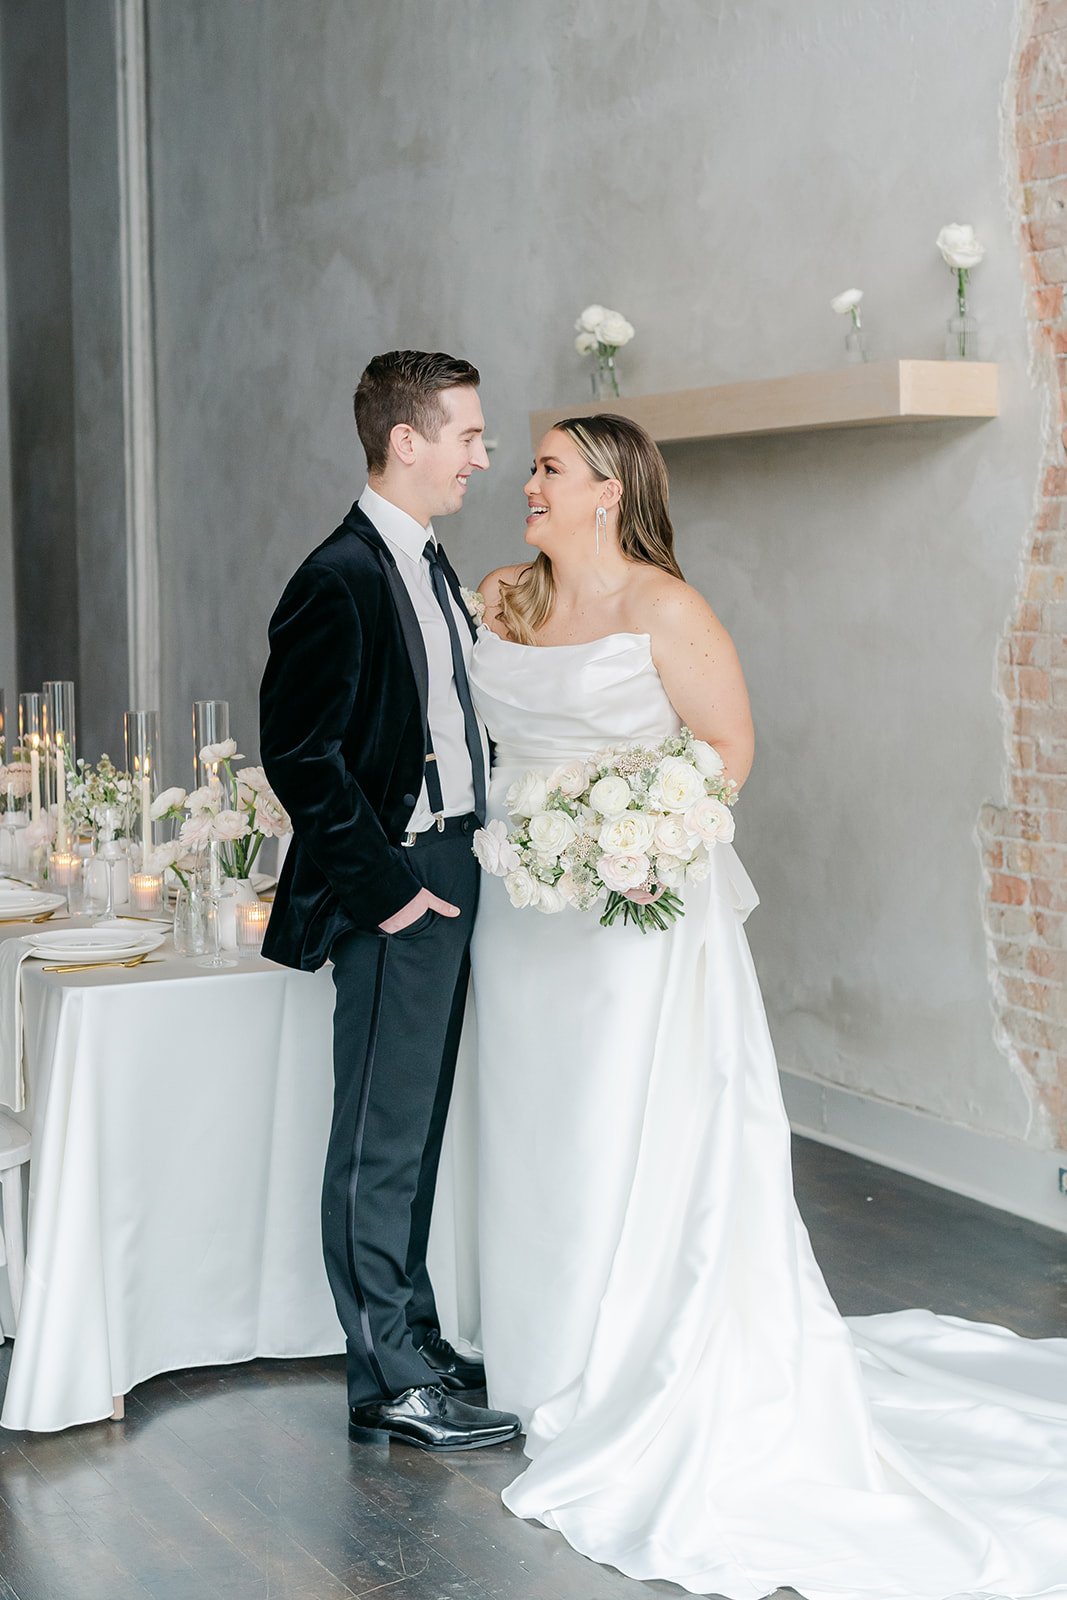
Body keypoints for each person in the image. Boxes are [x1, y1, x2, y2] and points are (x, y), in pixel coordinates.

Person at [445, 412, 1067, 1596]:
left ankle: (623, 1358)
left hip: (630, 923)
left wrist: (643, 843)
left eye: (548, 468)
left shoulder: (667, 610)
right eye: (528, 465)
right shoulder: (502, 599)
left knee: (616, 1129)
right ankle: (531, 1351)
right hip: (522, 916)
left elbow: (725, 748)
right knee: (529, 1131)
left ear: (607, 490)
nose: (525, 483)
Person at [259, 350, 519, 1453]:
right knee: (377, 1137)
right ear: (405, 441)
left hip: (453, 867)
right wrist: (392, 895)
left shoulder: (429, 562)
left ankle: (412, 1340)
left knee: (411, 1129)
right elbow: (299, 755)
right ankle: (388, 1378)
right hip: (398, 883)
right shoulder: (338, 575)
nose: (483, 456)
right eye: (468, 435)